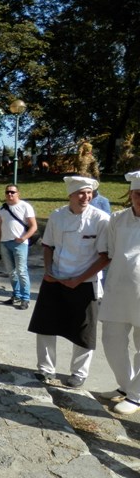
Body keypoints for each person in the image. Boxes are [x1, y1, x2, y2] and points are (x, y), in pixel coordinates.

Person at [28, 176, 110, 388]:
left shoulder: (101, 219)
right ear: (70, 195)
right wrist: (48, 271)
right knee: (45, 326)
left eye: (89, 193)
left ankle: (79, 373)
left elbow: (105, 256)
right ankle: (45, 369)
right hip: (55, 278)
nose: (85, 197)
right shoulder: (57, 216)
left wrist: (78, 280)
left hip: (86, 282)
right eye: (81, 193)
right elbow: (48, 246)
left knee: (84, 331)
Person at [98, 171, 140, 415]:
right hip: (118, 289)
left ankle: (136, 395)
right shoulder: (117, 219)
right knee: (111, 340)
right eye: (137, 193)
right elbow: (112, 251)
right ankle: (126, 385)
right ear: (130, 194)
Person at [0, 184, 38, 310]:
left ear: (18, 193)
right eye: (7, 192)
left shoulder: (25, 206)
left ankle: (25, 298)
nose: (10, 194)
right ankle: (16, 295)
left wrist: (24, 238)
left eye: (12, 192)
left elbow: (34, 226)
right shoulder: (2, 208)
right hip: (5, 243)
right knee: (11, 272)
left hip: (20, 244)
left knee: (21, 271)